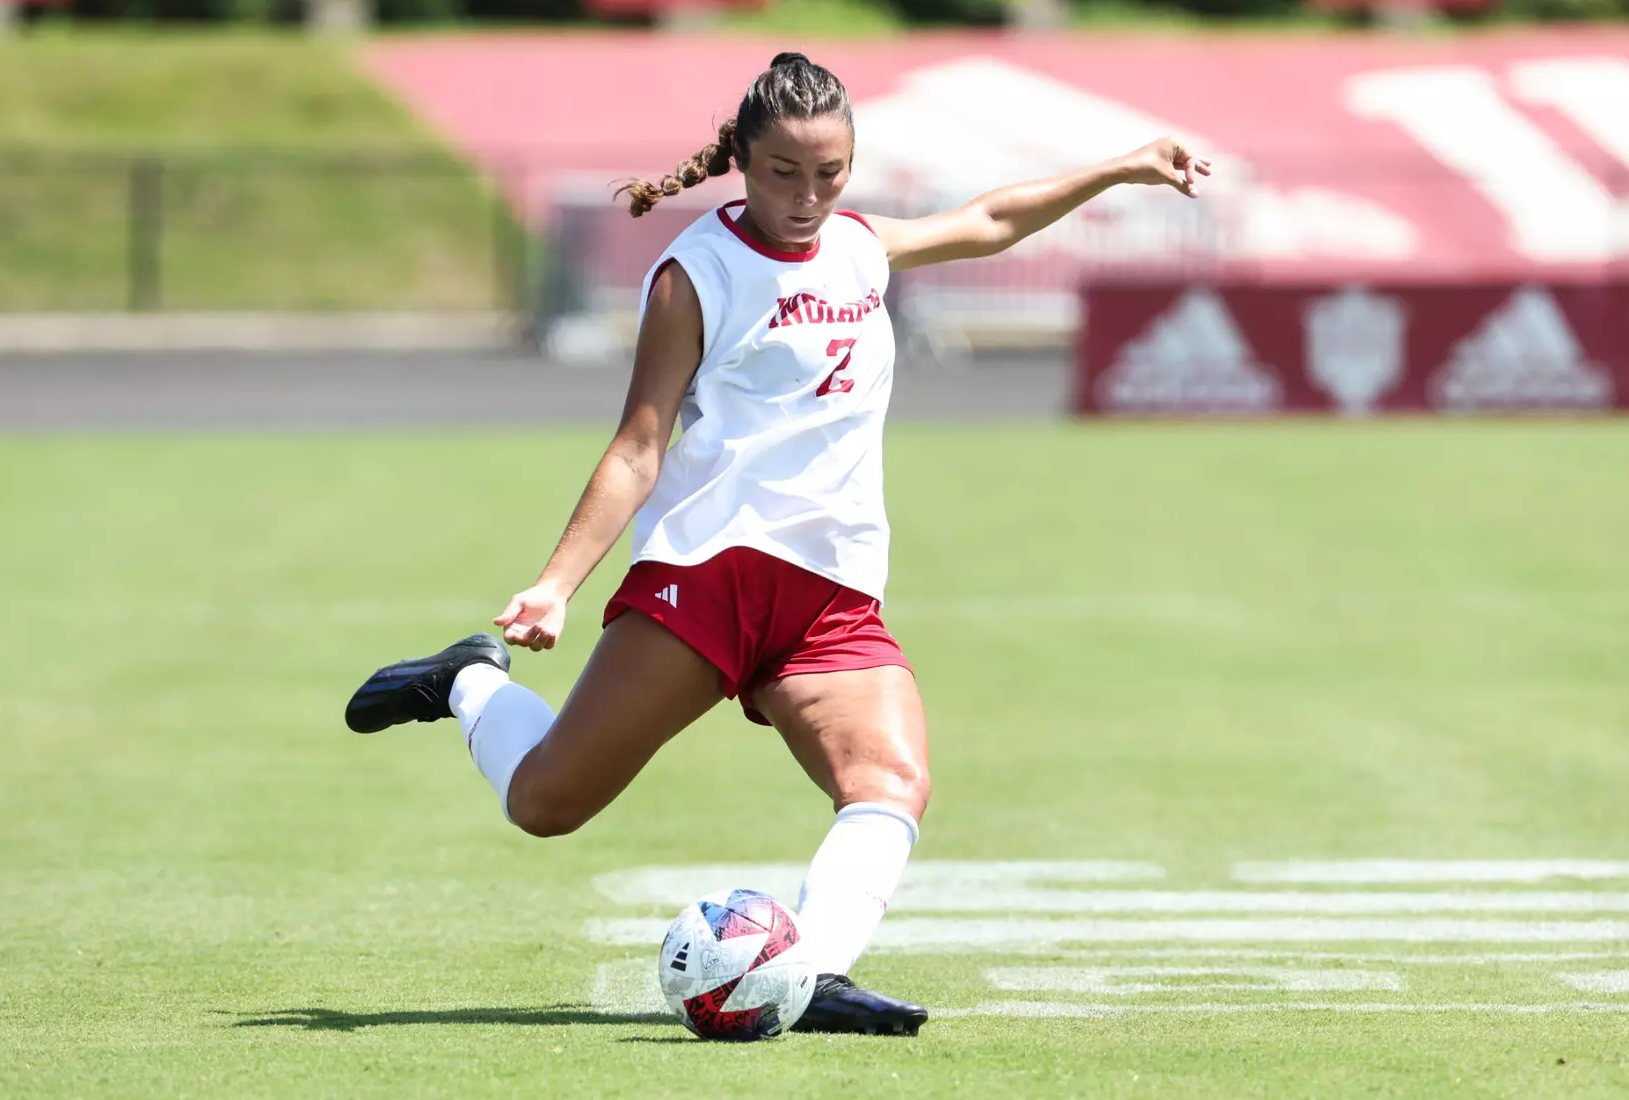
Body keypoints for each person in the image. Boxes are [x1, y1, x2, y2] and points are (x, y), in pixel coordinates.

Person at [345, 51, 1211, 1036]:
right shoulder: (694, 275)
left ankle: (815, 974)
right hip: (707, 578)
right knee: (547, 803)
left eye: (829, 173)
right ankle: (466, 679)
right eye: (784, 173)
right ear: (742, 164)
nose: (807, 196)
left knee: (890, 783)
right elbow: (639, 446)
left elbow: (992, 220)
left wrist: (1119, 166)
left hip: (833, 593)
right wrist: (553, 585)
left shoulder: (860, 247)